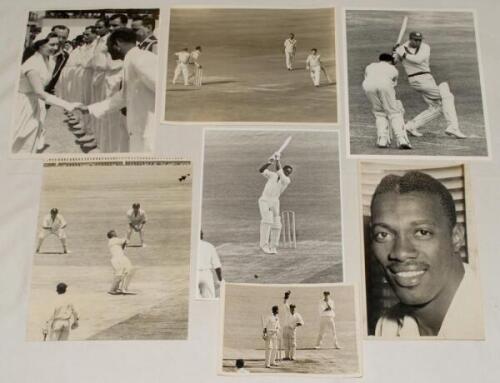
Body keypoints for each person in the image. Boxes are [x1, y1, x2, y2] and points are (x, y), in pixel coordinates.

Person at [369, 171, 482, 338]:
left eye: (422, 232)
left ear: (456, 237)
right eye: (383, 235)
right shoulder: (386, 328)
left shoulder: (488, 316)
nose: (400, 253)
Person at [78, 27, 157, 152]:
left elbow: (162, 89)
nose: (108, 51)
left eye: (108, 46)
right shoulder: (131, 59)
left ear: (118, 43)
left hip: (150, 129)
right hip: (140, 128)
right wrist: (90, 109)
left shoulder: (141, 59)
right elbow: (124, 96)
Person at [11, 33, 79, 154]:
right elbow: (40, 92)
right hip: (23, 105)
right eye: (51, 44)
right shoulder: (32, 65)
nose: (55, 47)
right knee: (18, 140)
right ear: (40, 44)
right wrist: (68, 105)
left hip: (35, 104)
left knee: (31, 139)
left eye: (57, 44)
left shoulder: (47, 60)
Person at [393, 31, 466, 139]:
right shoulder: (402, 48)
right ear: (410, 39)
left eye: (419, 40)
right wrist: (394, 53)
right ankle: (453, 127)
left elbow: (418, 60)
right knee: (448, 96)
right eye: (415, 40)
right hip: (418, 80)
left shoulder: (425, 47)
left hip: (427, 79)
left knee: (437, 107)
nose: (418, 42)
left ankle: (411, 126)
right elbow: (394, 62)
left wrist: (401, 52)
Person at [362, 53, 411, 149]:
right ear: (390, 61)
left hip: (368, 86)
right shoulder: (394, 70)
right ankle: (402, 139)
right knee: (394, 112)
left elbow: (368, 77)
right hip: (384, 85)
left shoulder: (370, 66)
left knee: (380, 113)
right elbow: (392, 85)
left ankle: (382, 140)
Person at [258, 152, 293, 254]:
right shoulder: (272, 175)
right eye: (286, 171)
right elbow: (261, 170)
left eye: (289, 173)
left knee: (277, 224)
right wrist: (269, 162)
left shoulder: (286, 180)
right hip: (264, 200)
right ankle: (264, 246)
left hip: (275, 201)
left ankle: (273, 246)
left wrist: (278, 159)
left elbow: (278, 169)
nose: (287, 174)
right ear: (284, 170)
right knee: (267, 221)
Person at [107, 230, 135, 295]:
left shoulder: (115, 242)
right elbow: (125, 240)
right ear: (111, 235)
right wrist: (129, 232)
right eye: (114, 232)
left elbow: (123, 246)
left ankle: (121, 288)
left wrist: (128, 234)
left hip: (121, 258)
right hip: (117, 259)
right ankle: (113, 289)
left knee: (128, 270)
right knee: (119, 274)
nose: (115, 233)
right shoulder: (113, 240)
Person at [45, 25, 70, 95]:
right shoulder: (38, 52)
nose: (61, 40)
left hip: (50, 96)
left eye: (64, 38)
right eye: (58, 36)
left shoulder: (65, 57)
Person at [197, 230, 223, 298]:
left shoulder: (191, 246)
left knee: (194, 300)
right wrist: (220, 280)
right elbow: (217, 266)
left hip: (194, 274)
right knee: (209, 299)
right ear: (202, 235)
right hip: (206, 274)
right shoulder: (209, 246)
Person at [281, 291, 304, 361]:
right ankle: (287, 356)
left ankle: (292, 356)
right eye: (291, 308)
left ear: (295, 308)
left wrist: (295, 325)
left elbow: (302, 322)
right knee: (285, 343)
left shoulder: (297, 315)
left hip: (292, 330)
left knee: (293, 343)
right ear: (290, 308)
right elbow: (285, 303)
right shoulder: (287, 311)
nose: (293, 309)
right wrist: (286, 296)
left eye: (294, 308)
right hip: (285, 329)